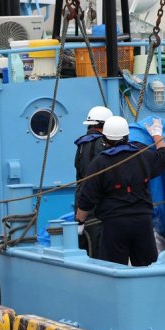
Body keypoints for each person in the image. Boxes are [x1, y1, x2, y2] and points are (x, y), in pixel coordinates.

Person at [75, 116, 165, 266]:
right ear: (127, 136)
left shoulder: (99, 163)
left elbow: (86, 199)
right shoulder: (143, 156)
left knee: (112, 270)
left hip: (114, 226)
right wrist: (156, 134)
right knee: (147, 269)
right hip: (143, 223)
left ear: (105, 139)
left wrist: (80, 222)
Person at [73, 105, 113, 258]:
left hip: (81, 202)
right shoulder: (103, 144)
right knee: (99, 248)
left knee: (84, 245)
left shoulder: (81, 145)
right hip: (97, 204)